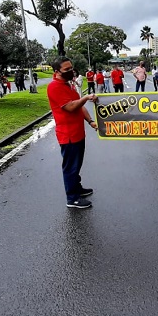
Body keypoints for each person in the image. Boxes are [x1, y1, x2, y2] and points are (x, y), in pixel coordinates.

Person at [47, 56, 98, 209]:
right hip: (67, 135)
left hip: (78, 133)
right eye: (67, 69)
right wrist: (87, 97)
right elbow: (70, 107)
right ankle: (72, 198)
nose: (71, 71)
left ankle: (77, 188)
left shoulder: (69, 85)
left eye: (71, 68)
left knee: (77, 164)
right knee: (70, 167)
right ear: (57, 71)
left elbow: (79, 107)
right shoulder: (54, 87)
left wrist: (90, 121)